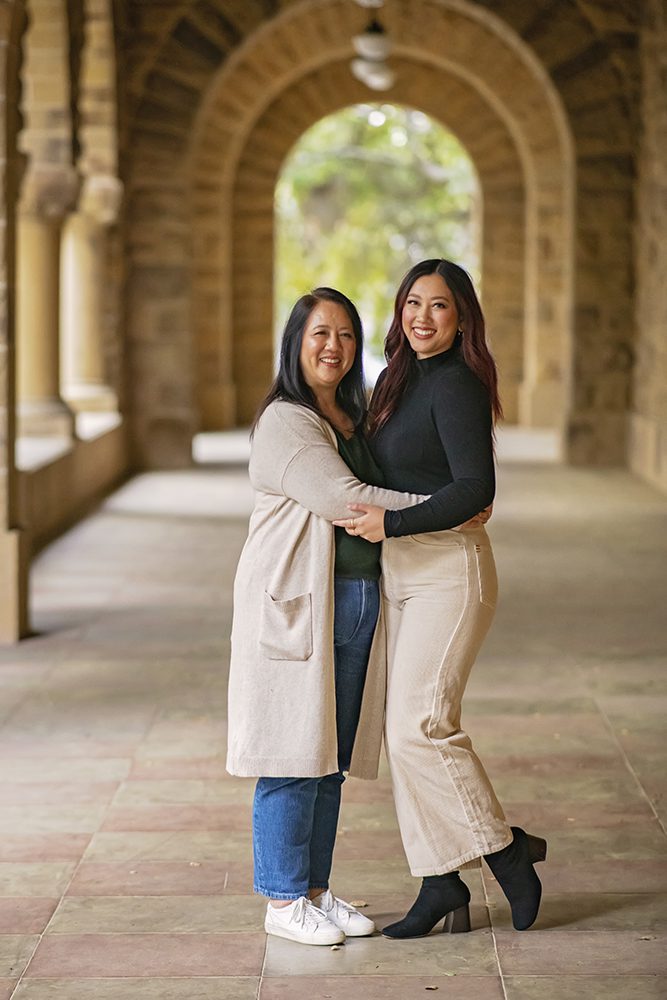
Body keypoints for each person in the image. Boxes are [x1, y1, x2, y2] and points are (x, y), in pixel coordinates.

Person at [334, 259, 547, 938]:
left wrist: (390, 521)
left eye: (440, 307)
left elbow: (473, 489)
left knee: (420, 727)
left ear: (462, 320)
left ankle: (506, 851)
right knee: (405, 736)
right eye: (413, 304)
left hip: (449, 573)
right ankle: (438, 883)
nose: (422, 318)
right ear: (398, 311)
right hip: (402, 574)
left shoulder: (454, 383)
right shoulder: (394, 382)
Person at [226, 287, 438, 946]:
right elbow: (341, 498)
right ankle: (283, 899)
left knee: (327, 757)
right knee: (290, 752)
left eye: (346, 335)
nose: (333, 347)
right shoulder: (285, 420)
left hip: (353, 600)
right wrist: (440, 505)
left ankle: (314, 889)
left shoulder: (347, 418)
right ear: (295, 341)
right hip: (297, 602)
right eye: (320, 333)